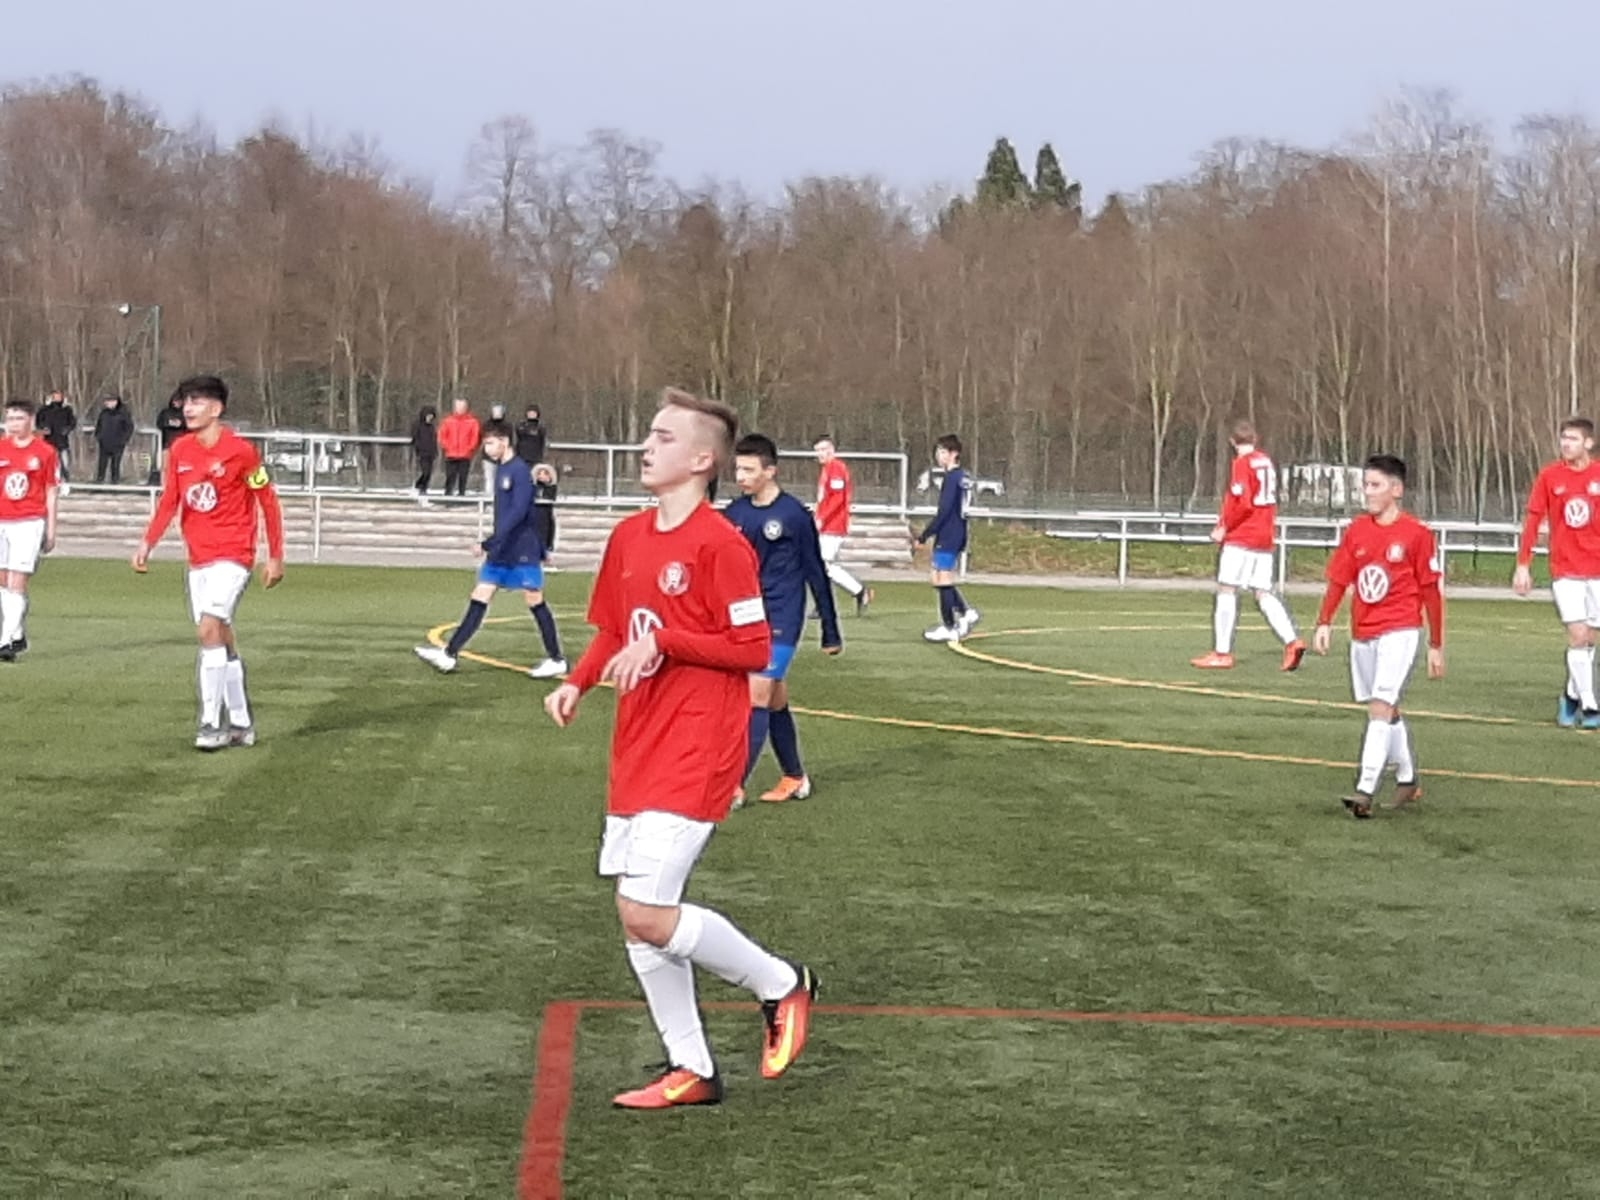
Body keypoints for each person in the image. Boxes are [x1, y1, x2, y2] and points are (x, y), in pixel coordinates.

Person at [543, 387, 818, 1110]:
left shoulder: (721, 544)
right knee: (639, 919)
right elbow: (613, 627)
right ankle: (690, 1067)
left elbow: (752, 648)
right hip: (637, 742)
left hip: (697, 746)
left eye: (663, 438)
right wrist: (576, 681)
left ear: (702, 460)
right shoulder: (629, 536)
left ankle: (780, 984)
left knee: (644, 909)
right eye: (649, 435)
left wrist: (666, 640)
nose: (646, 447)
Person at [131, 375, 286, 750]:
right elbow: (171, 500)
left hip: (234, 555)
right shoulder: (180, 450)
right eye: (186, 401)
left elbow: (267, 501)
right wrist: (147, 542)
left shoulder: (242, 452)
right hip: (198, 558)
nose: (188, 408)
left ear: (216, 409)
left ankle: (210, 723)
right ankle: (241, 722)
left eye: (197, 401)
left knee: (207, 630)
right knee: (221, 636)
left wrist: (275, 555)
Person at [1312, 454, 1445, 819]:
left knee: (1380, 707)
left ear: (1396, 490)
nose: (1367, 492)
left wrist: (1436, 644)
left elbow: (1431, 592)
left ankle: (1365, 789)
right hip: (1364, 631)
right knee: (1387, 708)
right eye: (1365, 485)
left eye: (1375, 485)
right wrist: (1324, 622)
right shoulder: (1356, 531)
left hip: (1401, 630)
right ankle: (1408, 776)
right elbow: (1339, 579)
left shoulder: (1417, 534)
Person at [725, 433, 842, 805]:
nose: (741, 477)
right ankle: (794, 776)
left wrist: (830, 628)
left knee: (757, 693)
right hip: (746, 617)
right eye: (738, 469)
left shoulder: (794, 515)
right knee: (774, 699)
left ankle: (732, 786)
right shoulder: (734, 513)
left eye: (749, 470)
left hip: (783, 617)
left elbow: (816, 572)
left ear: (770, 471)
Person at [413, 420, 567, 679]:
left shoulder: (519, 471)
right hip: (503, 549)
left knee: (534, 600)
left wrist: (490, 542)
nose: (486, 448)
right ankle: (450, 654)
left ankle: (556, 659)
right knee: (480, 594)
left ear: (504, 442)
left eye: (490, 443)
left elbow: (520, 514)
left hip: (521, 549)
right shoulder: (503, 469)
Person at [1192, 420, 1307, 671]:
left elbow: (1243, 503)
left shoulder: (1242, 464)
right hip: (1264, 536)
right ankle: (1292, 641)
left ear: (1232, 441)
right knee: (1263, 592)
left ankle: (1222, 653)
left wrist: (1225, 527)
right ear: (1255, 439)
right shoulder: (1265, 461)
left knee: (1227, 588)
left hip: (1243, 536)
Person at [1512, 417, 1600, 728]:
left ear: (1588, 443)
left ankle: (1570, 696)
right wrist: (1523, 564)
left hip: (1597, 570)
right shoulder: (1550, 476)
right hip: (1565, 569)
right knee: (1577, 634)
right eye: (1564, 438)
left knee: (1589, 637)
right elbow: (1533, 520)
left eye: (1573, 439)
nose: (1566, 444)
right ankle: (1590, 705)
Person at [0, 399, 60, 660]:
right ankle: (17, 634)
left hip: (29, 521)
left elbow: (51, 490)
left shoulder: (45, 452)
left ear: (31, 420)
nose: (13, 424)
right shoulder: (1, 448)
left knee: (18, 579)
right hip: (2, 520)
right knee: (4, 580)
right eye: (10, 418)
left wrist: (51, 528)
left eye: (19, 418)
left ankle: (4, 641)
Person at [913, 434, 979, 642]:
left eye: (943, 452)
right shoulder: (963, 477)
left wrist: (924, 535)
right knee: (938, 578)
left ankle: (950, 626)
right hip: (958, 532)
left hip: (949, 533)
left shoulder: (952, 478)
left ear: (954, 454)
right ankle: (966, 613)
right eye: (938, 452)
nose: (938, 456)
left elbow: (944, 511)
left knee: (942, 580)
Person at [814, 435, 871, 615]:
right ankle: (854, 593)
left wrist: (822, 518)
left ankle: (858, 591)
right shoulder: (827, 469)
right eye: (817, 451)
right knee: (823, 565)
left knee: (824, 564)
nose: (820, 454)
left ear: (832, 450)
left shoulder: (836, 468)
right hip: (827, 524)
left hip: (834, 524)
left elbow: (837, 499)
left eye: (823, 450)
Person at [437, 397, 480, 497]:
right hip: (451, 454)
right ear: (455, 408)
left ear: (466, 407)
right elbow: (442, 435)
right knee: (450, 475)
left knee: (463, 476)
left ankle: (461, 494)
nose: (460, 409)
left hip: (465, 454)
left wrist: (470, 448)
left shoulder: (472, 422)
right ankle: (448, 494)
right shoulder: (448, 421)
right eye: (458, 406)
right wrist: (447, 446)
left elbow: (475, 437)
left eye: (462, 407)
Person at [93, 393, 135, 484]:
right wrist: (98, 436)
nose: (106, 403)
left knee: (115, 464)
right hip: (104, 442)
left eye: (108, 401)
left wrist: (124, 439)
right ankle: (99, 481)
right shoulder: (104, 413)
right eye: (106, 401)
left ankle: (115, 482)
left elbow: (129, 427)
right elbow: (99, 425)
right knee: (102, 464)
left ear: (115, 402)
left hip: (118, 443)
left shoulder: (123, 413)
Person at [36, 389, 76, 483]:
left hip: (62, 440)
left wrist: (67, 429)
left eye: (59, 396)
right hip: (48, 441)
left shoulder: (67, 410)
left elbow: (72, 422)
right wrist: (44, 428)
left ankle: (65, 480)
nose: (57, 398)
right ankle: (46, 480)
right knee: (47, 462)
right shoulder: (44, 410)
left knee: (64, 463)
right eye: (55, 396)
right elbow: (38, 422)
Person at [150, 387, 187, 485]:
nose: (177, 403)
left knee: (181, 467)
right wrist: (168, 423)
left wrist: (181, 424)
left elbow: (191, 426)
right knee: (165, 467)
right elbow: (159, 423)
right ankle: (164, 486)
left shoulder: (186, 413)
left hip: (183, 445)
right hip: (167, 444)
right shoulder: (165, 412)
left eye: (179, 401)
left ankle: (180, 485)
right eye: (175, 401)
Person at [410, 405, 438, 498]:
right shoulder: (417, 425)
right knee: (425, 472)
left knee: (429, 473)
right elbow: (415, 438)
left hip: (430, 453)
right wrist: (418, 448)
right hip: (422, 453)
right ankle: (418, 485)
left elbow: (433, 440)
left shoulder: (432, 427)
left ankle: (423, 488)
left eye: (431, 416)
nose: (430, 418)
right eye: (428, 416)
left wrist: (435, 451)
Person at [532, 462, 558, 557]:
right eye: (539, 473)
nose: (541, 476)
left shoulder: (551, 487)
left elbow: (549, 497)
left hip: (546, 515)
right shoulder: (533, 487)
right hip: (534, 514)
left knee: (546, 530)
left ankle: (545, 549)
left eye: (545, 474)